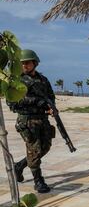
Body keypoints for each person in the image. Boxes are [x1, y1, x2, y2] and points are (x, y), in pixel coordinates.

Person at [8, 49, 55, 193]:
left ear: (34, 63)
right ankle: (38, 181)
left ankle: (20, 165)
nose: (24, 66)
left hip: (43, 119)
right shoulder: (17, 80)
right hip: (27, 120)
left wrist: (51, 107)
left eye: (27, 63)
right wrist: (36, 101)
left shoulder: (42, 79)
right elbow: (12, 102)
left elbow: (50, 96)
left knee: (45, 147)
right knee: (34, 150)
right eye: (22, 64)